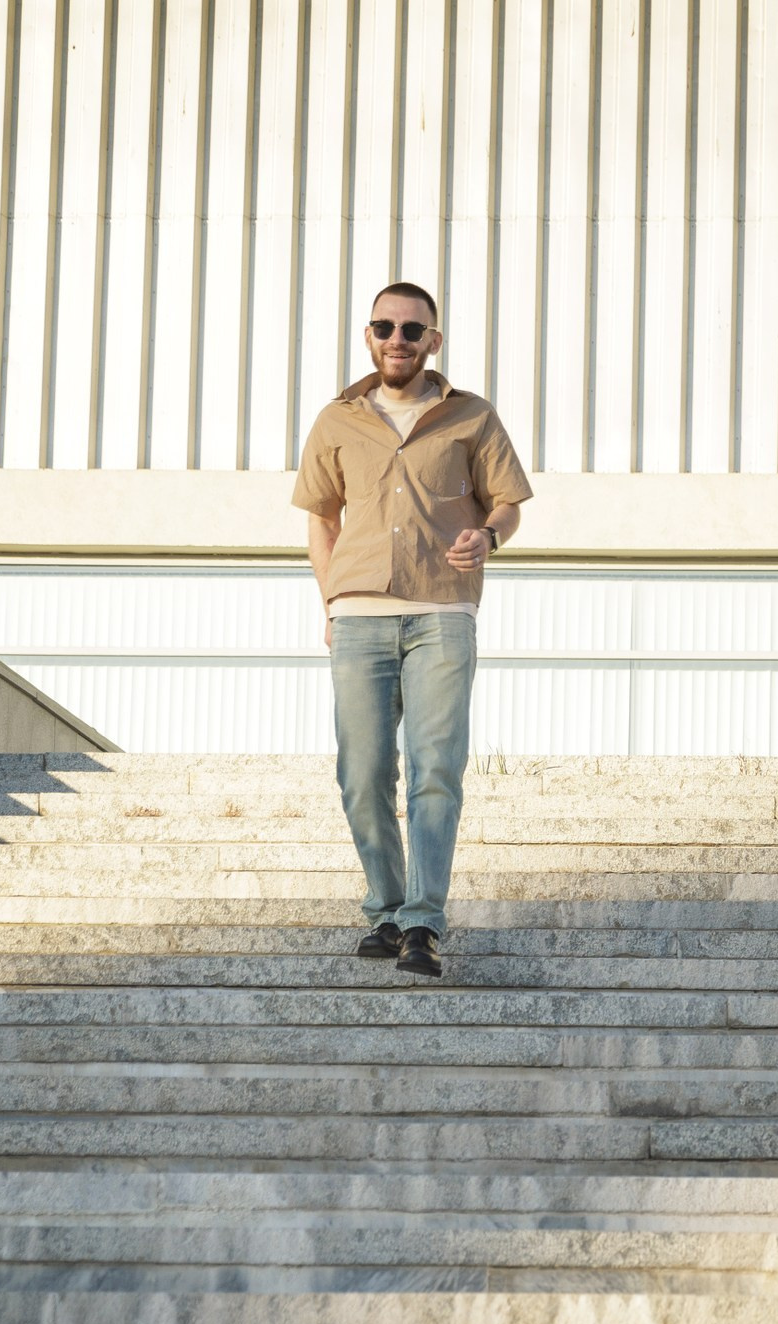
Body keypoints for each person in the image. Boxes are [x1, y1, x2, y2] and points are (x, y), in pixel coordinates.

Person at [291, 282, 532, 979]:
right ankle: (386, 908)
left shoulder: (471, 417)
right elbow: (321, 520)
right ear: (369, 336)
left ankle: (423, 920)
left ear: (434, 340)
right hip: (359, 613)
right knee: (362, 772)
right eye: (384, 326)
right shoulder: (337, 421)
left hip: (441, 612)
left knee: (436, 769)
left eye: (411, 329)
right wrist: (330, 602)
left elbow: (510, 502)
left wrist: (489, 535)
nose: (398, 338)